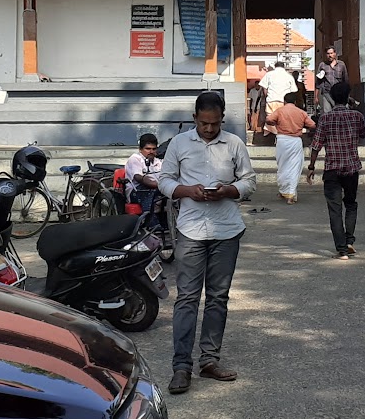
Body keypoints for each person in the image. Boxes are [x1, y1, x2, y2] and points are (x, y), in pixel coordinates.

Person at [158, 91, 256, 394]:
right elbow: (164, 180)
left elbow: (250, 182)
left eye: (214, 124)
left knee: (218, 297)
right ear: (195, 119)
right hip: (191, 231)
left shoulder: (235, 144)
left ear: (222, 120)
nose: (209, 129)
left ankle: (209, 360)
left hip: (226, 231)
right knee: (187, 298)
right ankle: (181, 367)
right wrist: (187, 191)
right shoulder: (179, 144)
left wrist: (228, 191)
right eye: (204, 124)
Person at [307, 80, 365, 260]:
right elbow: (363, 134)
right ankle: (349, 240)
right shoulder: (357, 116)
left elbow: (316, 145)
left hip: (332, 169)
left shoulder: (325, 118)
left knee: (335, 209)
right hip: (351, 168)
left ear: (332, 98)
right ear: (348, 96)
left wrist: (311, 166)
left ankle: (341, 250)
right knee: (351, 204)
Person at [264, 91, 316, 204]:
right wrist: (301, 125)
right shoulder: (301, 112)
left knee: (282, 167)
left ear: (284, 101)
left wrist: (276, 123)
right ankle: (290, 194)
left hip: (282, 140)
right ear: (295, 102)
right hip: (295, 141)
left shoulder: (280, 111)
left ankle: (284, 191)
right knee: (294, 168)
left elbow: (268, 120)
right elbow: (312, 125)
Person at [125, 134, 171, 246]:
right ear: (140, 149)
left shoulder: (158, 162)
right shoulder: (135, 159)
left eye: (154, 149)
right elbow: (138, 177)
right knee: (149, 192)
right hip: (136, 192)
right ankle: (151, 224)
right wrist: (158, 185)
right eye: (148, 149)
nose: (151, 152)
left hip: (156, 189)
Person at [316, 47, 348, 114]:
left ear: (335, 54)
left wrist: (347, 94)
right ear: (326, 55)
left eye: (331, 53)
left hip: (339, 94)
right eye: (328, 53)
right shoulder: (322, 65)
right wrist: (316, 97)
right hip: (327, 93)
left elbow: (345, 79)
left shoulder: (341, 64)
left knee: (340, 113)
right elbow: (318, 82)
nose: (330, 55)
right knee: (327, 113)